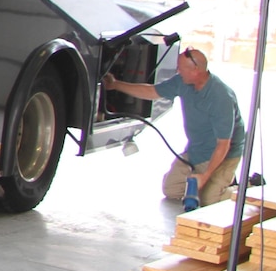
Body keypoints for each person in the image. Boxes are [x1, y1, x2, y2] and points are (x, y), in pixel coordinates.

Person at [103, 47, 246, 206]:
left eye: (181, 68)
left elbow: (223, 144)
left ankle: (241, 189)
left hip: (223, 154)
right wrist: (116, 85)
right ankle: (217, 182)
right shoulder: (182, 82)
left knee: (208, 200)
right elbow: (152, 91)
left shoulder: (220, 97)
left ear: (196, 70)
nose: (178, 70)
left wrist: (205, 176)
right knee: (171, 190)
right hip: (198, 149)